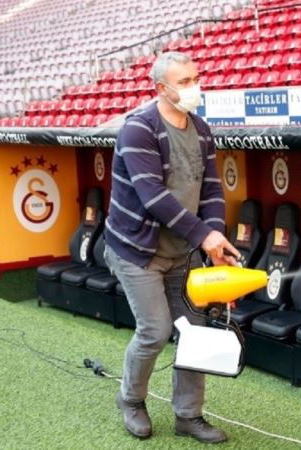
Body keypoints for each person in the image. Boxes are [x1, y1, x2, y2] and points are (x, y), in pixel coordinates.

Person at [103, 51, 240, 444]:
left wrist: (212, 237)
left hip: (183, 251)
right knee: (156, 330)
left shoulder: (201, 129)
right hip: (137, 252)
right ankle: (130, 399)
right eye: (184, 82)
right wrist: (205, 236)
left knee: (194, 331)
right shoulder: (138, 130)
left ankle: (188, 416)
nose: (194, 87)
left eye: (195, 78)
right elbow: (154, 197)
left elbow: (212, 188)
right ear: (161, 88)